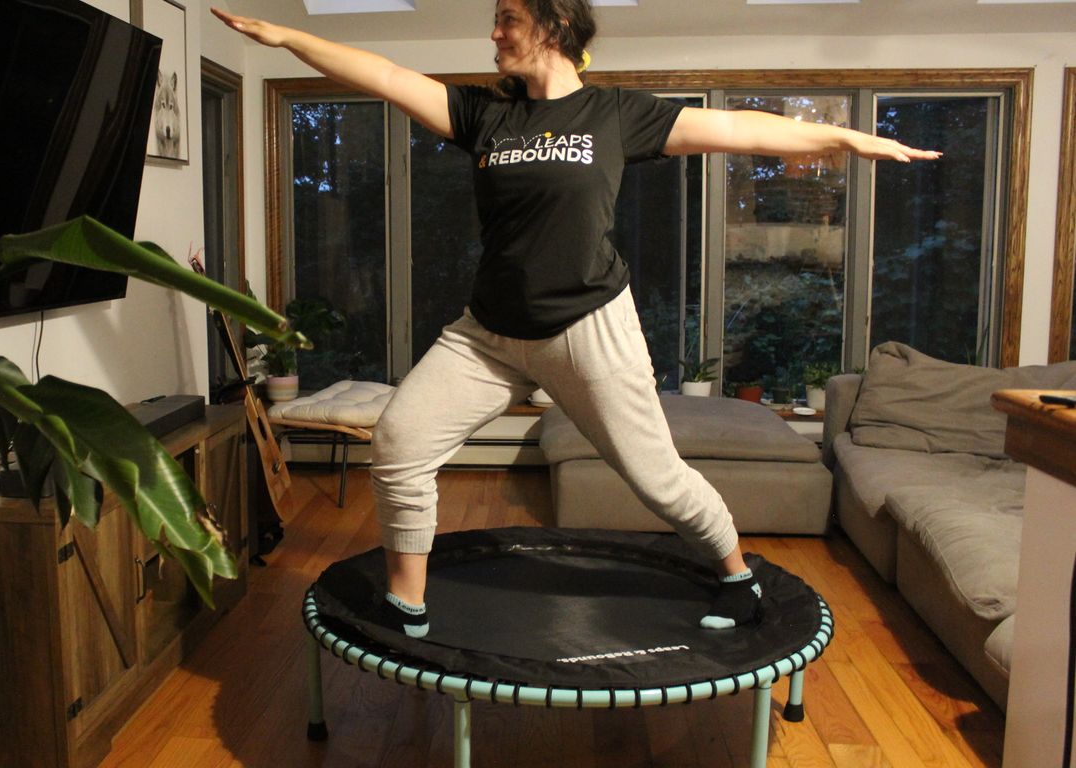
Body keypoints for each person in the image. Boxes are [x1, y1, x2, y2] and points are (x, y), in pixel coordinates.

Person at [213, 0, 939, 637]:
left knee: (656, 479)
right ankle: (408, 600)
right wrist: (286, 39)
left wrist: (843, 140)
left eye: (508, 19)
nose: (493, 33)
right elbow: (383, 76)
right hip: (489, 334)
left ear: (554, 25)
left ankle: (736, 578)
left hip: (588, 326)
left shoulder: (615, 114)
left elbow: (735, 129)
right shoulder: (484, 113)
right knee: (401, 441)